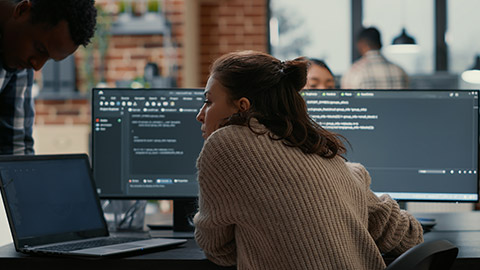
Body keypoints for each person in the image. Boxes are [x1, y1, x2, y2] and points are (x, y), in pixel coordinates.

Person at [194, 50, 423, 269]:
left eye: (209, 101)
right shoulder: (316, 148)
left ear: (242, 107)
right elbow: (406, 235)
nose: (200, 114)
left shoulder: (225, 143)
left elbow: (217, 250)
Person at [0, 0, 97, 154]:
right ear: (22, 10)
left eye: (49, 59)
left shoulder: (18, 58)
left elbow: (16, 148)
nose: (37, 65)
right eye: (40, 48)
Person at [341, 27, 409, 89]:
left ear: (361, 44)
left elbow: (348, 100)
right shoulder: (400, 71)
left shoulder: (354, 72)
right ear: (380, 44)